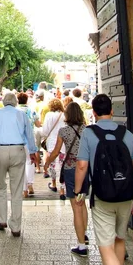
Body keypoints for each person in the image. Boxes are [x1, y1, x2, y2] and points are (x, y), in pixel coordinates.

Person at [74, 94, 133, 265]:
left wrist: (78, 191)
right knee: (120, 238)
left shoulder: (89, 134)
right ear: (112, 111)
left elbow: (82, 165)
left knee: (105, 244)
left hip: (102, 195)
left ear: (94, 112)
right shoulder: (127, 134)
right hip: (126, 194)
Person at [0, 92, 37, 237]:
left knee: (0, 185)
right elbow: (29, 134)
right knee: (16, 189)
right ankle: (15, 226)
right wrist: (33, 152)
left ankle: (1, 220)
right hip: (17, 150)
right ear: (15, 102)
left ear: (3, 102)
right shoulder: (21, 114)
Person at [44, 102, 89, 253]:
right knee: (81, 203)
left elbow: (56, 152)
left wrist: (47, 163)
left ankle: (81, 245)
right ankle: (84, 233)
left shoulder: (63, 131)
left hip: (71, 171)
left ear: (67, 115)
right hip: (85, 170)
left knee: (76, 207)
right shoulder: (87, 130)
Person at [42, 98, 65, 194]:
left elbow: (45, 130)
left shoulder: (48, 115)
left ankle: (53, 183)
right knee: (63, 164)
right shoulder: (64, 115)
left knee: (52, 164)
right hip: (63, 143)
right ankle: (63, 187)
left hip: (52, 143)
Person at [17, 92, 37, 198]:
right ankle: (30, 184)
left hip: (19, 141)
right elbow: (37, 123)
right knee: (30, 162)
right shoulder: (31, 110)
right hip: (30, 138)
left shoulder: (15, 112)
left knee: (21, 164)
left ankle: (24, 189)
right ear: (26, 100)